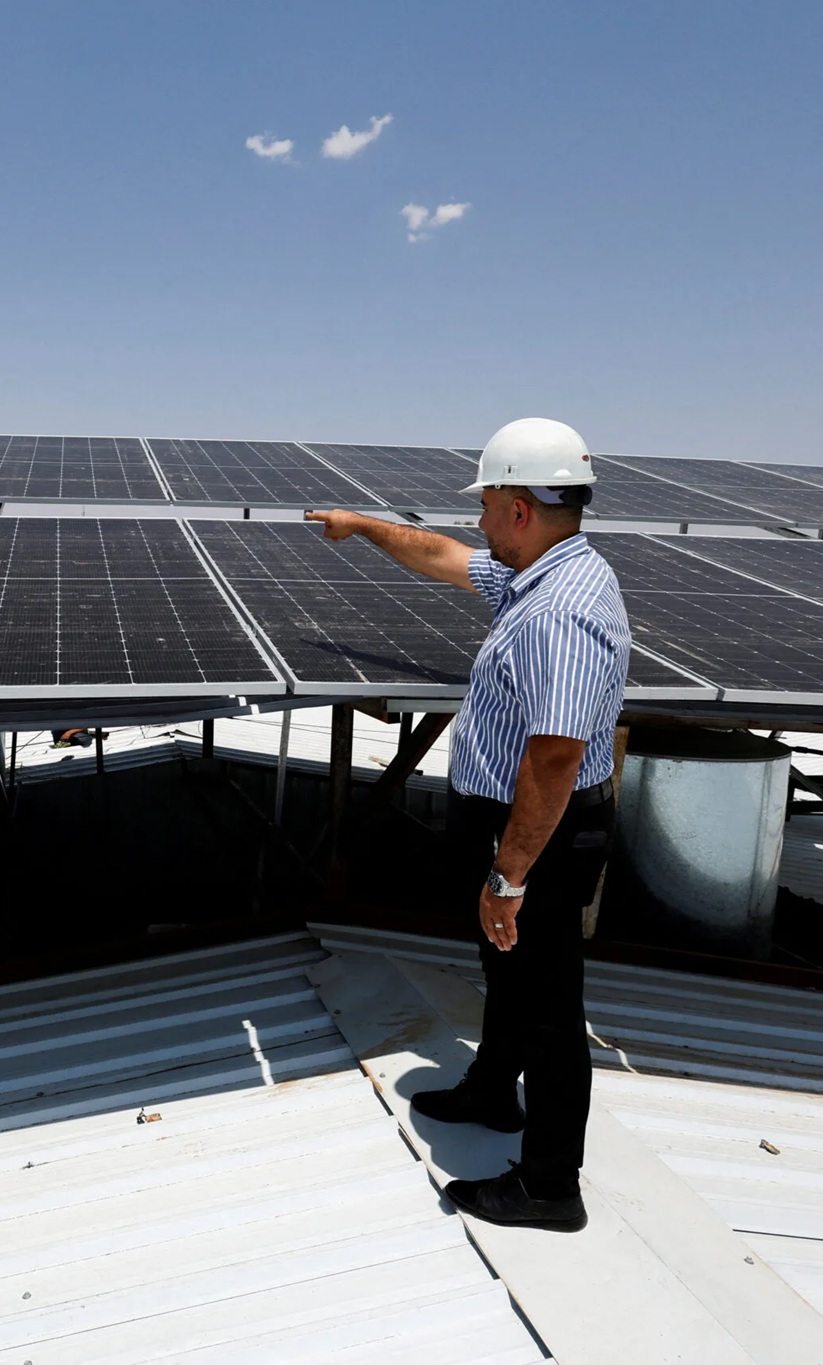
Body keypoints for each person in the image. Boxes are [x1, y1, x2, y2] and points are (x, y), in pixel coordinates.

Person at [306, 417, 629, 1232]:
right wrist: (362, 527)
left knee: (552, 1007)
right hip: (516, 828)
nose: (477, 524)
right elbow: (445, 558)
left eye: (485, 504)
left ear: (519, 507)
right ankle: (492, 1091)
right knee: (510, 974)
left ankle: (551, 1186)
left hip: (540, 836)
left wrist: (508, 875)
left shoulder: (561, 609)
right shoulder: (539, 574)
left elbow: (555, 759)